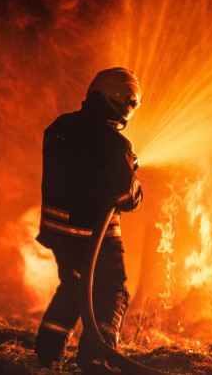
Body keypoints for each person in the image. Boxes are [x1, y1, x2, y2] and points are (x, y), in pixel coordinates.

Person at [34, 67, 144, 372]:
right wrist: (132, 173)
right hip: (96, 238)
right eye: (130, 103)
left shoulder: (59, 127)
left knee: (73, 285)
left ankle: (48, 351)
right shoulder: (115, 144)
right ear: (118, 100)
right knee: (112, 291)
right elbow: (126, 199)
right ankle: (98, 357)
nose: (129, 110)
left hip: (58, 233)